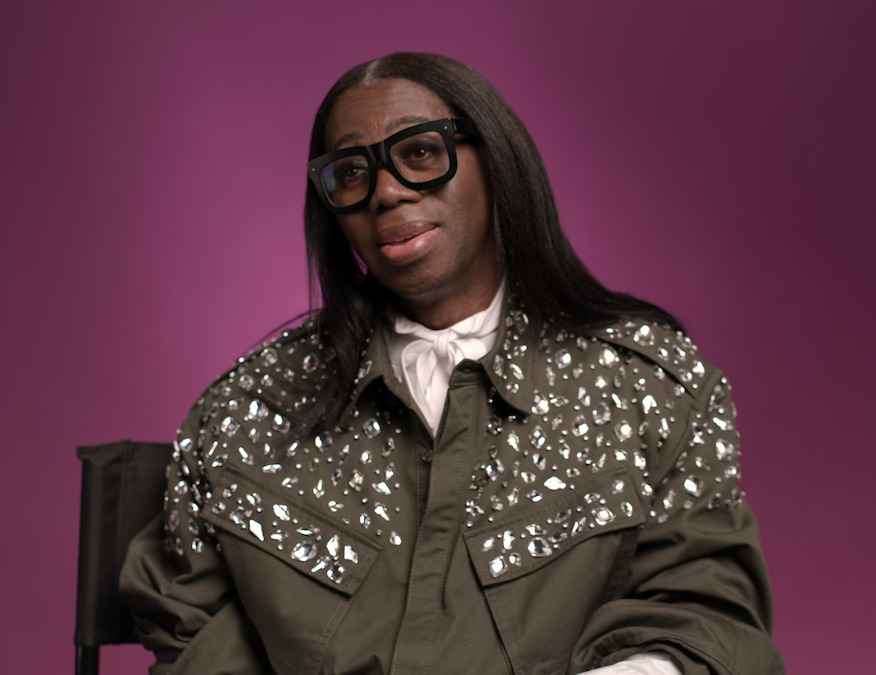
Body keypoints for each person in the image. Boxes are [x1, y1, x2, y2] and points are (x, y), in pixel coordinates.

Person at [120, 52, 784, 675]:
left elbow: (705, 614)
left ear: (496, 162)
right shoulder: (246, 409)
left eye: (419, 152)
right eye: (351, 173)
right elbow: (189, 623)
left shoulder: (651, 389)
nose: (385, 192)